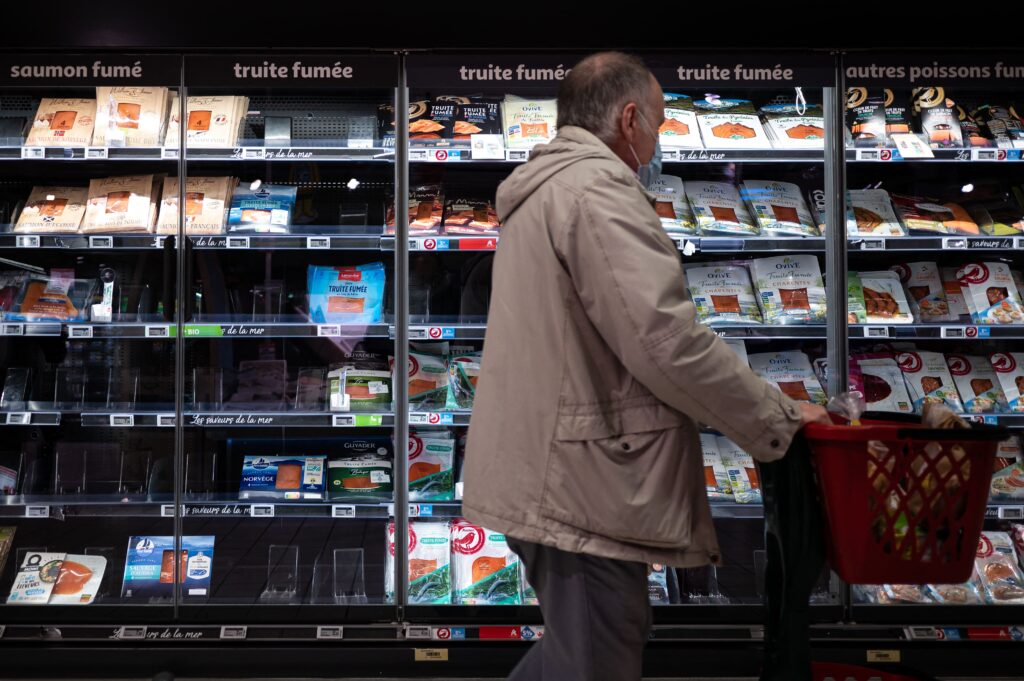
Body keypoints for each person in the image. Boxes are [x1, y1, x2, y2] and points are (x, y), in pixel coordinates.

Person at [462, 51, 829, 681]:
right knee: (596, 656)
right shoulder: (596, 193)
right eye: (658, 123)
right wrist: (778, 420)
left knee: (581, 648)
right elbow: (664, 340)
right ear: (629, 119)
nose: (658, 140)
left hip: (558, 462)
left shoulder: (550, 186)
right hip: (580, 477)